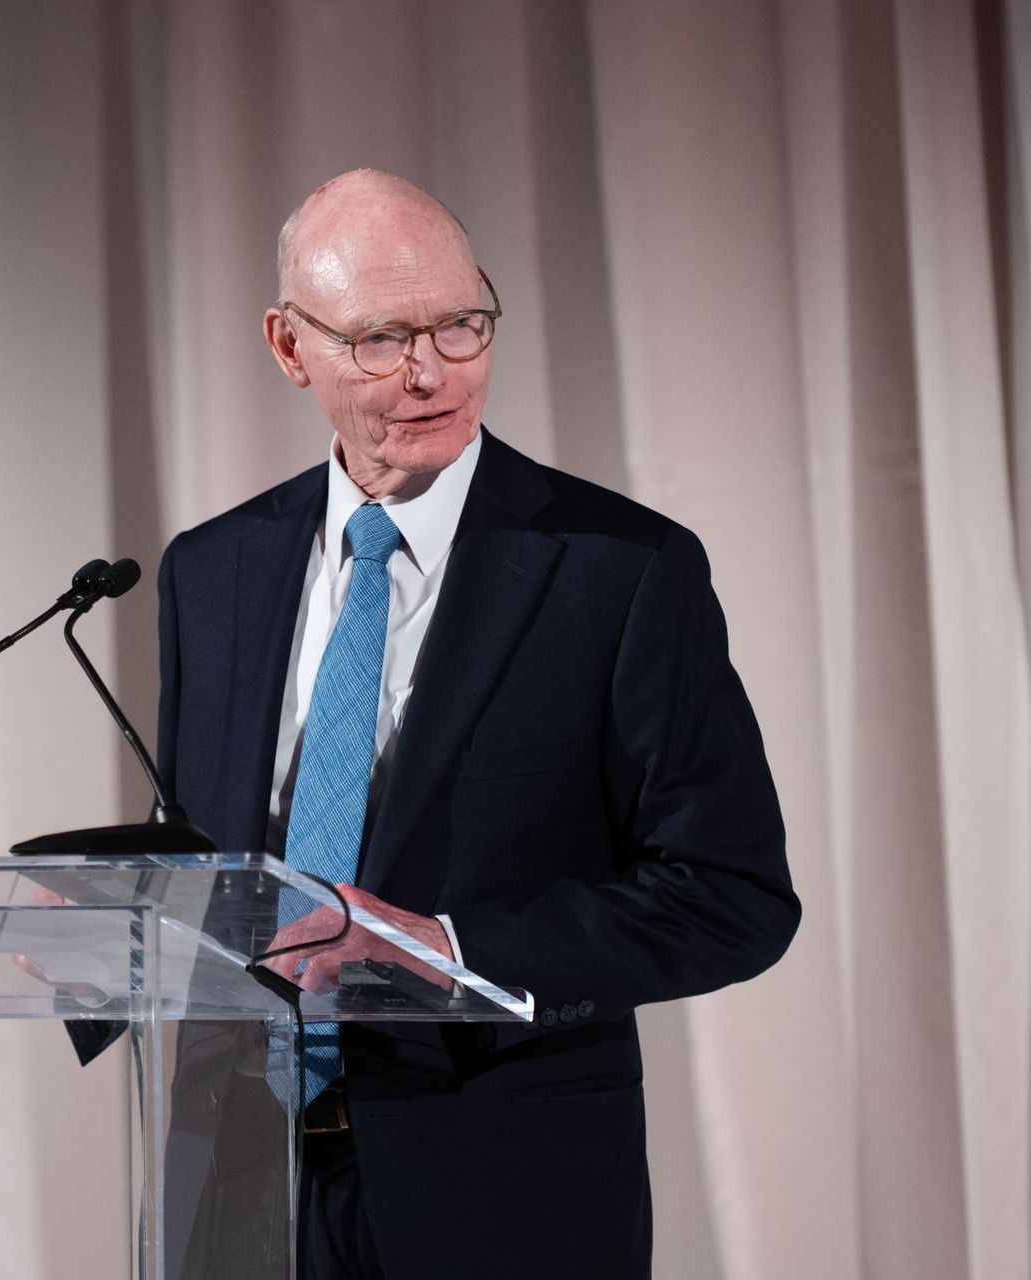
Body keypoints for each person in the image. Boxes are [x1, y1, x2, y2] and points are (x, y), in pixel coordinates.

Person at [154, 169, 801, 1279]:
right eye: (381, 337)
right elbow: (215, 865)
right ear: (287, 344)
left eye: (461, 323)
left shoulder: (621, 572)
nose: (432, 371)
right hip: (244, 1185)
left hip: (506, 1188)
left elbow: (731, 896)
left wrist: (446, 952)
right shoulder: (211, 571)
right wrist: (113, 923)